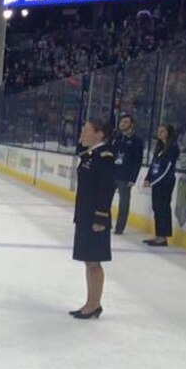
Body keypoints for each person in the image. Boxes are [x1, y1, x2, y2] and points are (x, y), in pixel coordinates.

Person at [70, 118, 116, 320]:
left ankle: (94, 304)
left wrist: (101, 217)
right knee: (89, 261)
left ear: (100, 134)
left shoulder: (104, 157)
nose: (83, 132)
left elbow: (106, 189)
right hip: (85, 215)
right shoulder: (91, 154)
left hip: (95, 218)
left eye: (87, 129)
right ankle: (91, 303)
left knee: (93, 261)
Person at [142, 124, 179, 247]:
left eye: (162, 131)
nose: (159, 133)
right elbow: (153, 165)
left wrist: (153, 181)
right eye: (159, 131)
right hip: (157, 182)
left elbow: (167, 169)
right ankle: (158, 235)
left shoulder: (172, 148)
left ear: (168, 133)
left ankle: (163, 237)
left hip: (165, 183)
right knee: (156, 208)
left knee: (163, 209)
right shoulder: (159, 147)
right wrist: (148, 178)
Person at [110, 114, 144, 235]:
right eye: (122, 122)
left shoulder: (136, 141)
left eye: (126, 122)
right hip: (113, 173)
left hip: (125, 177)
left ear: (131, 124)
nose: (122, 124)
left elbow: (137, 161)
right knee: (105, 198)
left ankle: (119, 228)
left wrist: (132, 178)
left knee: (124, 203)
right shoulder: (117, 137)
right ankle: (105, 222)